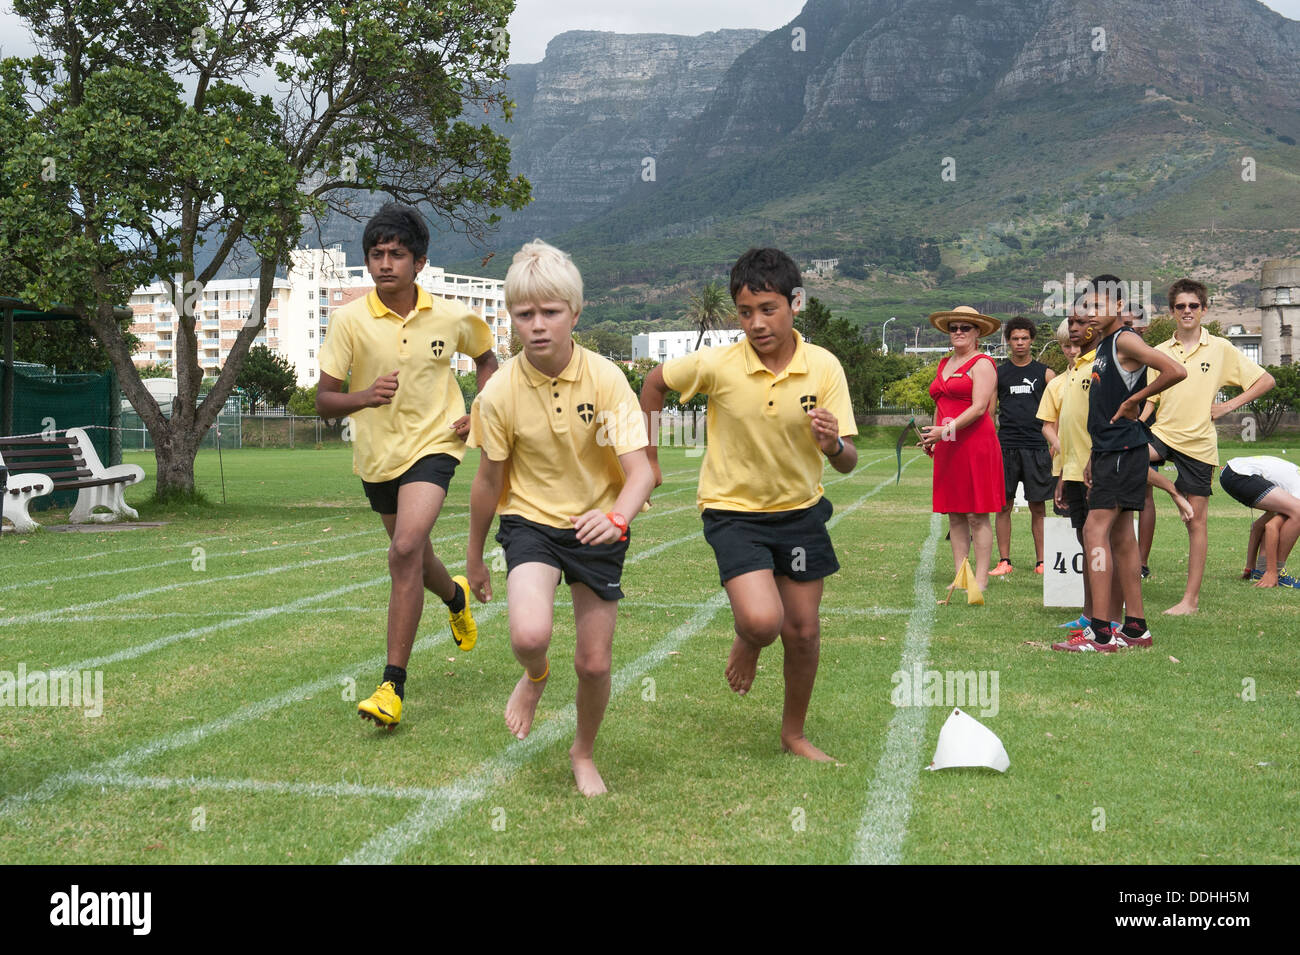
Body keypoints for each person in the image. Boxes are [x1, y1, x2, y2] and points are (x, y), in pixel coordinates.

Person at [640, 247, 857, 762]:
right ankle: (748, 638)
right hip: (733, 512)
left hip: (801, 513)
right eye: (745, 312)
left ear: (795, 303)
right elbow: (652, 385)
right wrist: (647, 460)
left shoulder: (823, 367)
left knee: (802, 631)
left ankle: (794, 734)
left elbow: (847, 460)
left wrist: (831, 445)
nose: (756, 323)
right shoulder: (716, 364)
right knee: (763, 621)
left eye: (768, 309)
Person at [465, 240, 654, 796]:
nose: (538, 325)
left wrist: (617, 517)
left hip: (598, 523)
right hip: (530, 524)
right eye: (525, 314)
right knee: (529, 634)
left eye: (551, 312)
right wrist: (475, 559)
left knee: (595, 665)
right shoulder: (497, 392)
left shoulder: (606, 379)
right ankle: (535, 675)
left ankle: (583, 752)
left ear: (576, 312)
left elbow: (639, 472)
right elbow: (487, 482)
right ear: (511, 318)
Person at [316, 203, 496, 727]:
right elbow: (324, 400)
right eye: (377, 254)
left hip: (436, 444)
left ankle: (392, 686)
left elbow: (487, 360)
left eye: (397, 254)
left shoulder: (452, 315)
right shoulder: (349, 320)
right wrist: (365, 396)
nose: (386, 263)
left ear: (420, 262)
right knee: (415, 557)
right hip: (377, 457)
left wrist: (479, 411)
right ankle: (455, 595)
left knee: (404, 550)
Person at [1052, 276, 1186, 653]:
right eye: (1086, 307)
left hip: (1124, 450)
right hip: (1113, 452)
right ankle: (1136, 628)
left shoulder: (1126, 339)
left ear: (1118, 308)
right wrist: (1095, 454)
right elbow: (1101, 408)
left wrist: (1137, 402)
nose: (1090, 314)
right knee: (1124, 538)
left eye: (1097, 307)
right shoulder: (1104, 346)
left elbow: (1176, 370)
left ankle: (1099, 632)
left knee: (1095, 532)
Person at [1140, 279, 1276, 615]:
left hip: (1199, 445)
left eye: (1193, 306)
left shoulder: (1221, 348)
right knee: (1124, 460)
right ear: (1172, 312)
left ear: (1203, 309)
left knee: (1196, 523)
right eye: (1180, 306)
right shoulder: (1158, 352)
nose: (1187, 311)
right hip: (1162, 435)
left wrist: (1229, 407)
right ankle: (1173, 491)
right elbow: (1150, 400)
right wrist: (1133, 424)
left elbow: (1266, 380)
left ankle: (1190, 601)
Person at [918, 306, 1004, 596]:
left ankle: (980, 579)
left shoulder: (983, 363)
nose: (957, 332)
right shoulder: (944, 363)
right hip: (949, 445)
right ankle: (960, 576)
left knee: (977, 514)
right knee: (954, 513)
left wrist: (946, 431)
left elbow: (980, 408)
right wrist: (934, 436)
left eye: (964, 328)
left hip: (975, 444)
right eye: (953, 327)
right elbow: (939, 405)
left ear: (977, 332)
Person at [991, 315, 1056, 576]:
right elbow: (989, 410)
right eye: (1015, 339)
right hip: (1006, 447)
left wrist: (1054, 443)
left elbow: (1060, 412)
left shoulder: (1046, 373)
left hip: (1037, 447)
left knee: (1037, 506)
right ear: (1008, 342)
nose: (1020, 343)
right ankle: (1004, 561)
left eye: (1025, 338)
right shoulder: (999, 373)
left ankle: (1041, 562)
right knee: (1003, 506)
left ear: (1032, 340)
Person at [1219, 455, 1300, 588]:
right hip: (1241, 475)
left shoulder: (1290, 492)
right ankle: (1276, 574)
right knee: (1298, 512)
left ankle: (1259, 572)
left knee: (1291, 514)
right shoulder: (1297, 494)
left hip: (1230, 473)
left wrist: (1249, 568)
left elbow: (1258, 526)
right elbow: (1271, 526)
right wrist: (1272, 572)